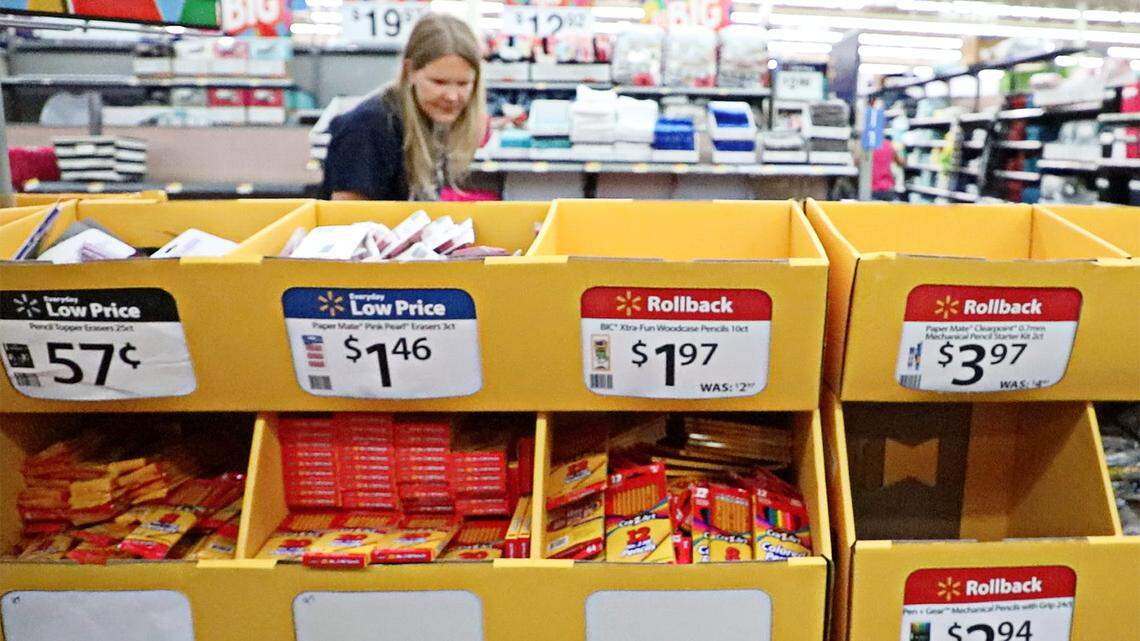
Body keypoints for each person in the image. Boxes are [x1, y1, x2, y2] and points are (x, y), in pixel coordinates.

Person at [322, 13, 486, 201]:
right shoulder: (368, 128)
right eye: (439, 82)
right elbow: (347, 219)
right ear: (410, 71)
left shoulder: (429, 119)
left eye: (463, 84)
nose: (452, 96)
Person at [871, 131, 903, 201]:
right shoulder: (889, 145)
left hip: (872, 186)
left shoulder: (870, 146)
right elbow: (900, 162)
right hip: (887, 186)